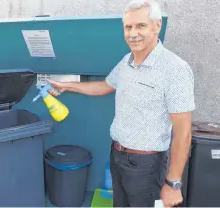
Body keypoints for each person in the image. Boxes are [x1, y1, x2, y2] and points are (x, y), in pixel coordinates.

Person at [48, 0, 195, 207]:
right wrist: (67, 86)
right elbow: (105, 86)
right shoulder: (126, 62)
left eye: (141, 25)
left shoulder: (175, 69)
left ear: (157, 26)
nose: (133, 33)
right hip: (117, 155)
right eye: (128, 27)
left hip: (147, 165)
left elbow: (183, 132)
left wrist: (173, 183)